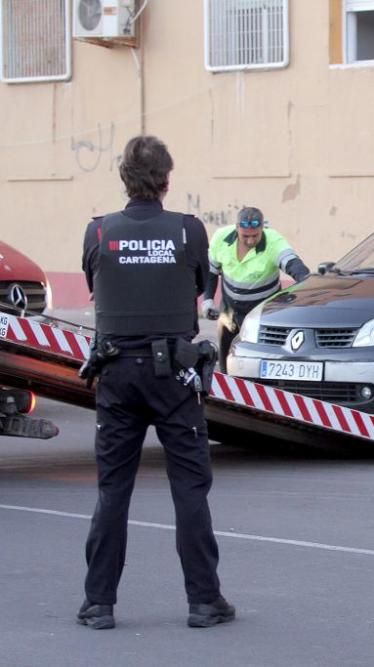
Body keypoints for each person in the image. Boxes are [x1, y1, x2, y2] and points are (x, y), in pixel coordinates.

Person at [78, 135, 235, 628]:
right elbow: (195, 288)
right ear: (167, 181)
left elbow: (94, 284)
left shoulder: (99, 232)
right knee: (189, 488)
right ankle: (204, 601)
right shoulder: (189, 232)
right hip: (174, 373)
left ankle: (99, 603)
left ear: (124, 178)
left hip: (118, 373)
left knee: (113, 490)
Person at [201, 206, 310, 372]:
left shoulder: (274, 241)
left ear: (262, 229)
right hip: (229, 309)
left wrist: (307, 283)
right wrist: (207, 301)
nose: (251, 241)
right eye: (245, 236)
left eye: (255, 236)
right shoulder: (221, 238)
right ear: (237, 228)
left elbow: (294, 265)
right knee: (226, 361)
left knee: (259, 362)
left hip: (262, 312)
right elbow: (211, 271)